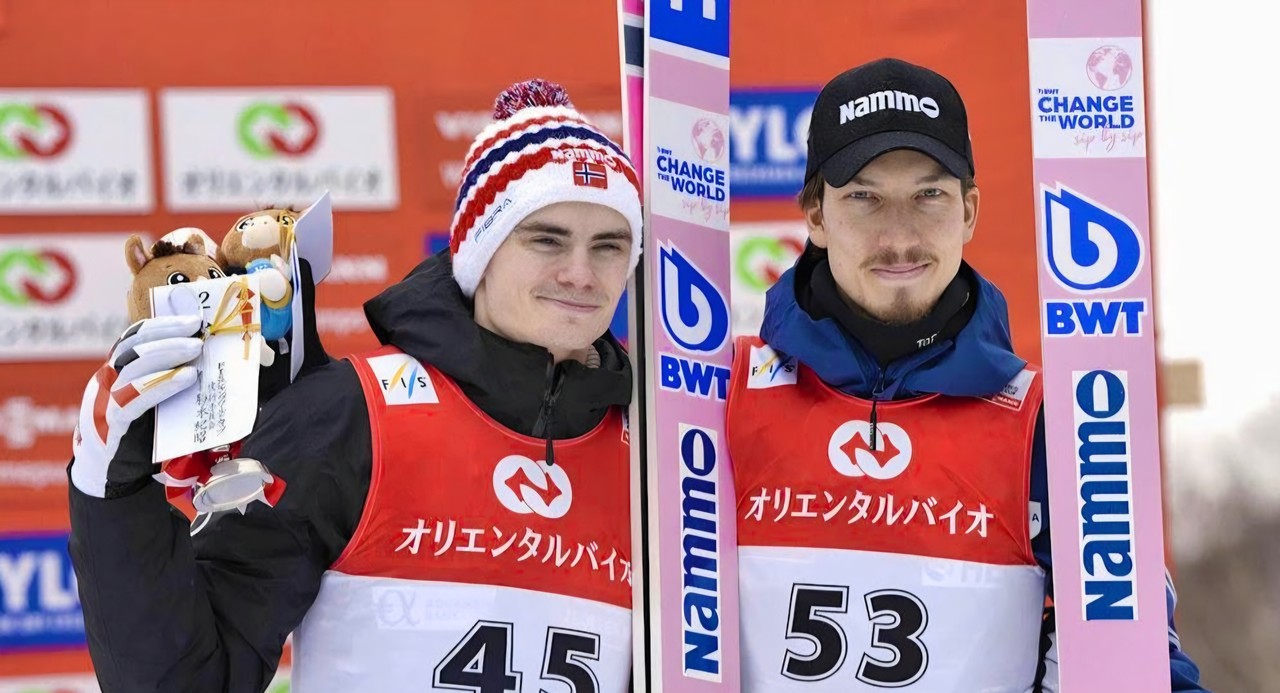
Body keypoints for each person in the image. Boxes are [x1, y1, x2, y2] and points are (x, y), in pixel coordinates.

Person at [67, 79, 643, 692]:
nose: (580, 273)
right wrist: (113, 492)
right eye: (546, 238)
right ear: (480, 252)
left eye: (609, 246)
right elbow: (189, 682)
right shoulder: (353, 416)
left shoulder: (658, 455)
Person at [724, 58, 1207, 691]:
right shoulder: (718, 394)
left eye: (929, 196)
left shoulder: (1053, 428)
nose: (899, 237)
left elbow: (1142, 667)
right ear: (815, 215)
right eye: (864, 197)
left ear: (969, 212)